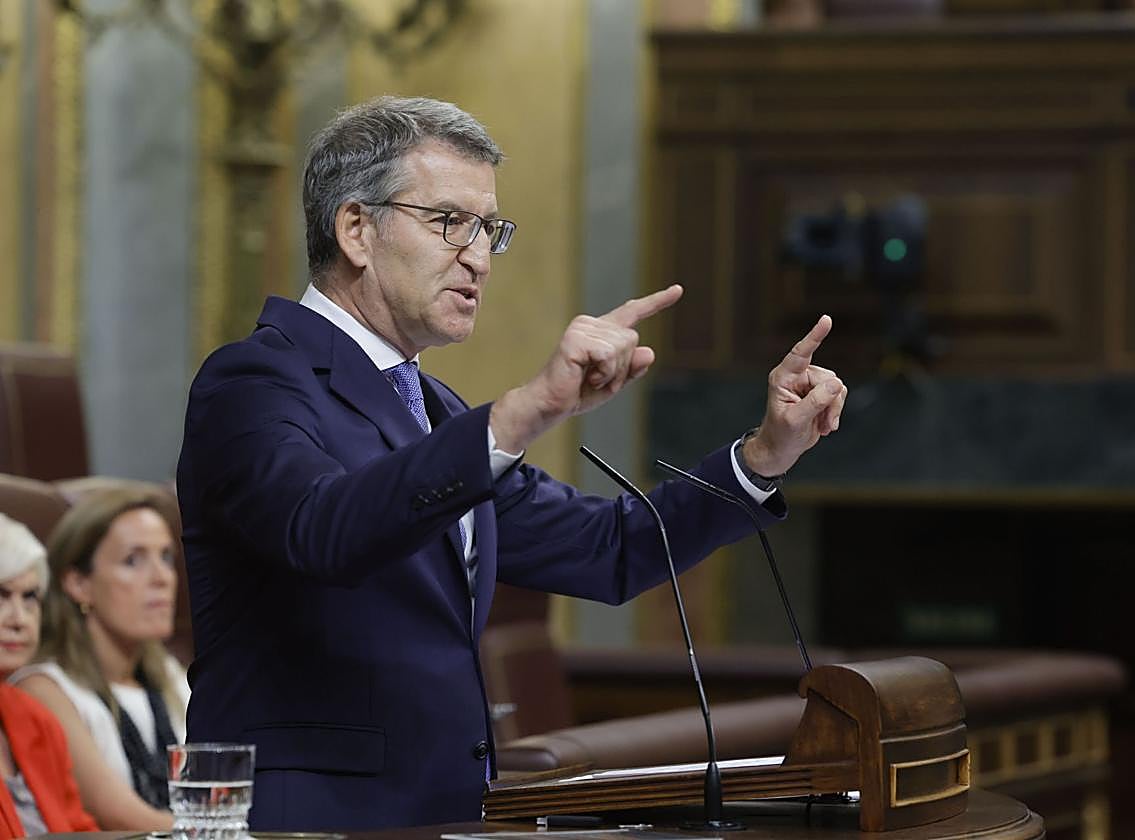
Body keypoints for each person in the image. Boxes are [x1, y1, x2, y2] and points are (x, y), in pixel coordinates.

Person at [176, 95, 847, 832]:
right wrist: (526, 411)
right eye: (448, 221)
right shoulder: (255, 379)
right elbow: (324, 530)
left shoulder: (434, 408)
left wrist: (763, 455)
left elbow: (611, 548)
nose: (477, 257)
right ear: (356, 229)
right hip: (308, 821)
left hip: (447, 816)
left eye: (488, 229)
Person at [12, 488, 189, 831]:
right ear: (79, 583)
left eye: (167, 557)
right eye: (133, 560)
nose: (162, 578)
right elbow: (120, 818)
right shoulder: (45, 688)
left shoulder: (170, 675)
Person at [0, 513, 97, 837]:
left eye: (30, 597)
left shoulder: (37, 720)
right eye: (1, 595)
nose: (20, 619)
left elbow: (79, 829)